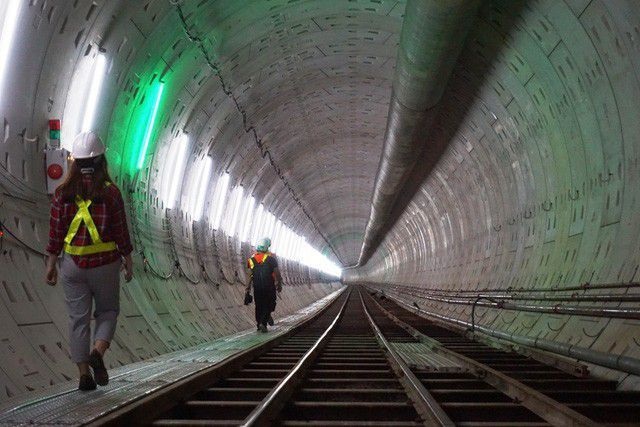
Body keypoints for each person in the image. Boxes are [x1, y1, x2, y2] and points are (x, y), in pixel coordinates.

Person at [44, 132, 133, 391]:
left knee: (77, 319)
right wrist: (127, 258)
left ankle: (84, 375)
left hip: (72, 265)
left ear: (74, 161)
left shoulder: (62, 193)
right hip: (105, 263)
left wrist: (51, 262)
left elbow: (56, 231)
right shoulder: (111, 193)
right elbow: (120, 230)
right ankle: (98, 351)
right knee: (108, 311)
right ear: (101, 160)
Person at [245, 237, 282, 332]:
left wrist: (247, 288)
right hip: (269, 286)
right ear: (267, 247)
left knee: (259, 305)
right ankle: (263, 323)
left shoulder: (251, 260)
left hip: (257, 287)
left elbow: (250, 276)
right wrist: (279, 284)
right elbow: (277, 273)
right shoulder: (271, 259)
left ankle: (259, 324)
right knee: (269, 304)